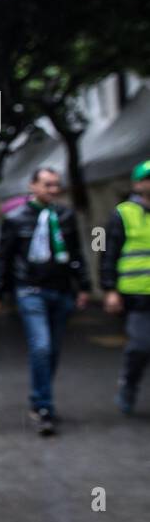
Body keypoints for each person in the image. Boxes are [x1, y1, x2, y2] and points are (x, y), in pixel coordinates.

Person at [0, 167, 90, 435]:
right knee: (41, 347)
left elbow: (76, 253)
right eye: (47, 184)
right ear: (32, 186)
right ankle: (44, 407)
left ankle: (39, 396)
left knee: (52, 350)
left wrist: (84, 286)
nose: (52, 189)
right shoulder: (15, 219)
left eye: (56, 185)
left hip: (61, 291)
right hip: (30, 292)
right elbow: (3, 259)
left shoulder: (66, 217)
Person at [101, 160, 150, 415]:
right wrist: (110, 289)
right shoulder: (123, 213)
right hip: (136, 294)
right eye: (148, 178)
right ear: (138, 184)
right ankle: (129, 384)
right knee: (141, 345)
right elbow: (108, 254)